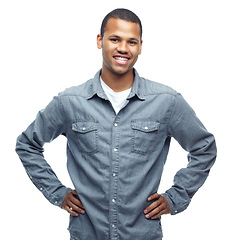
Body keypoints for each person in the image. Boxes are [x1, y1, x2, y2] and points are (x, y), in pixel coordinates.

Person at [16, 8, 217, 240]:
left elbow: (204, 147)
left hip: (143, 234)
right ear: (100, 41)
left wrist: (176, 197)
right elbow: (27, 144)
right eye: (115, 39)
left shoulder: (166, 102)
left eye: (131, 41)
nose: (123, 48)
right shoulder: (69, 103)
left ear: (140, 46)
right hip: (86, 234)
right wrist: (57, 193)